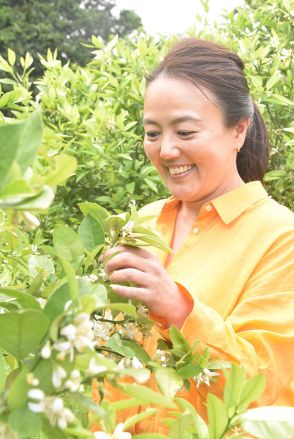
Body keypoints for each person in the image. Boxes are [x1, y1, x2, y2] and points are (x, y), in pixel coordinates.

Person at [98, 38, 294, 433]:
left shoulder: (280, 237)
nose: (166, 150)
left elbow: (265, 392)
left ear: (238, 130)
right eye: (152, 133)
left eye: (185, 132)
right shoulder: (141, 224)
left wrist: (179, 310)